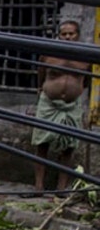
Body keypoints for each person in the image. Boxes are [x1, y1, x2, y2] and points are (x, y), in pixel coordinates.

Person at [31, 19, 90, 195]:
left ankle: (61, 188)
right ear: (59, 36)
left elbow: (85, 81)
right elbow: (41, 76)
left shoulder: (86, 57)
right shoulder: (49, 54)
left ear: (77, 36)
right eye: (64, 34)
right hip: (48, 103)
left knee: (69, 146)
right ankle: (38, 187)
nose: (67, 37)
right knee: (42, 143)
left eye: (71, 34)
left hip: (72, 106)